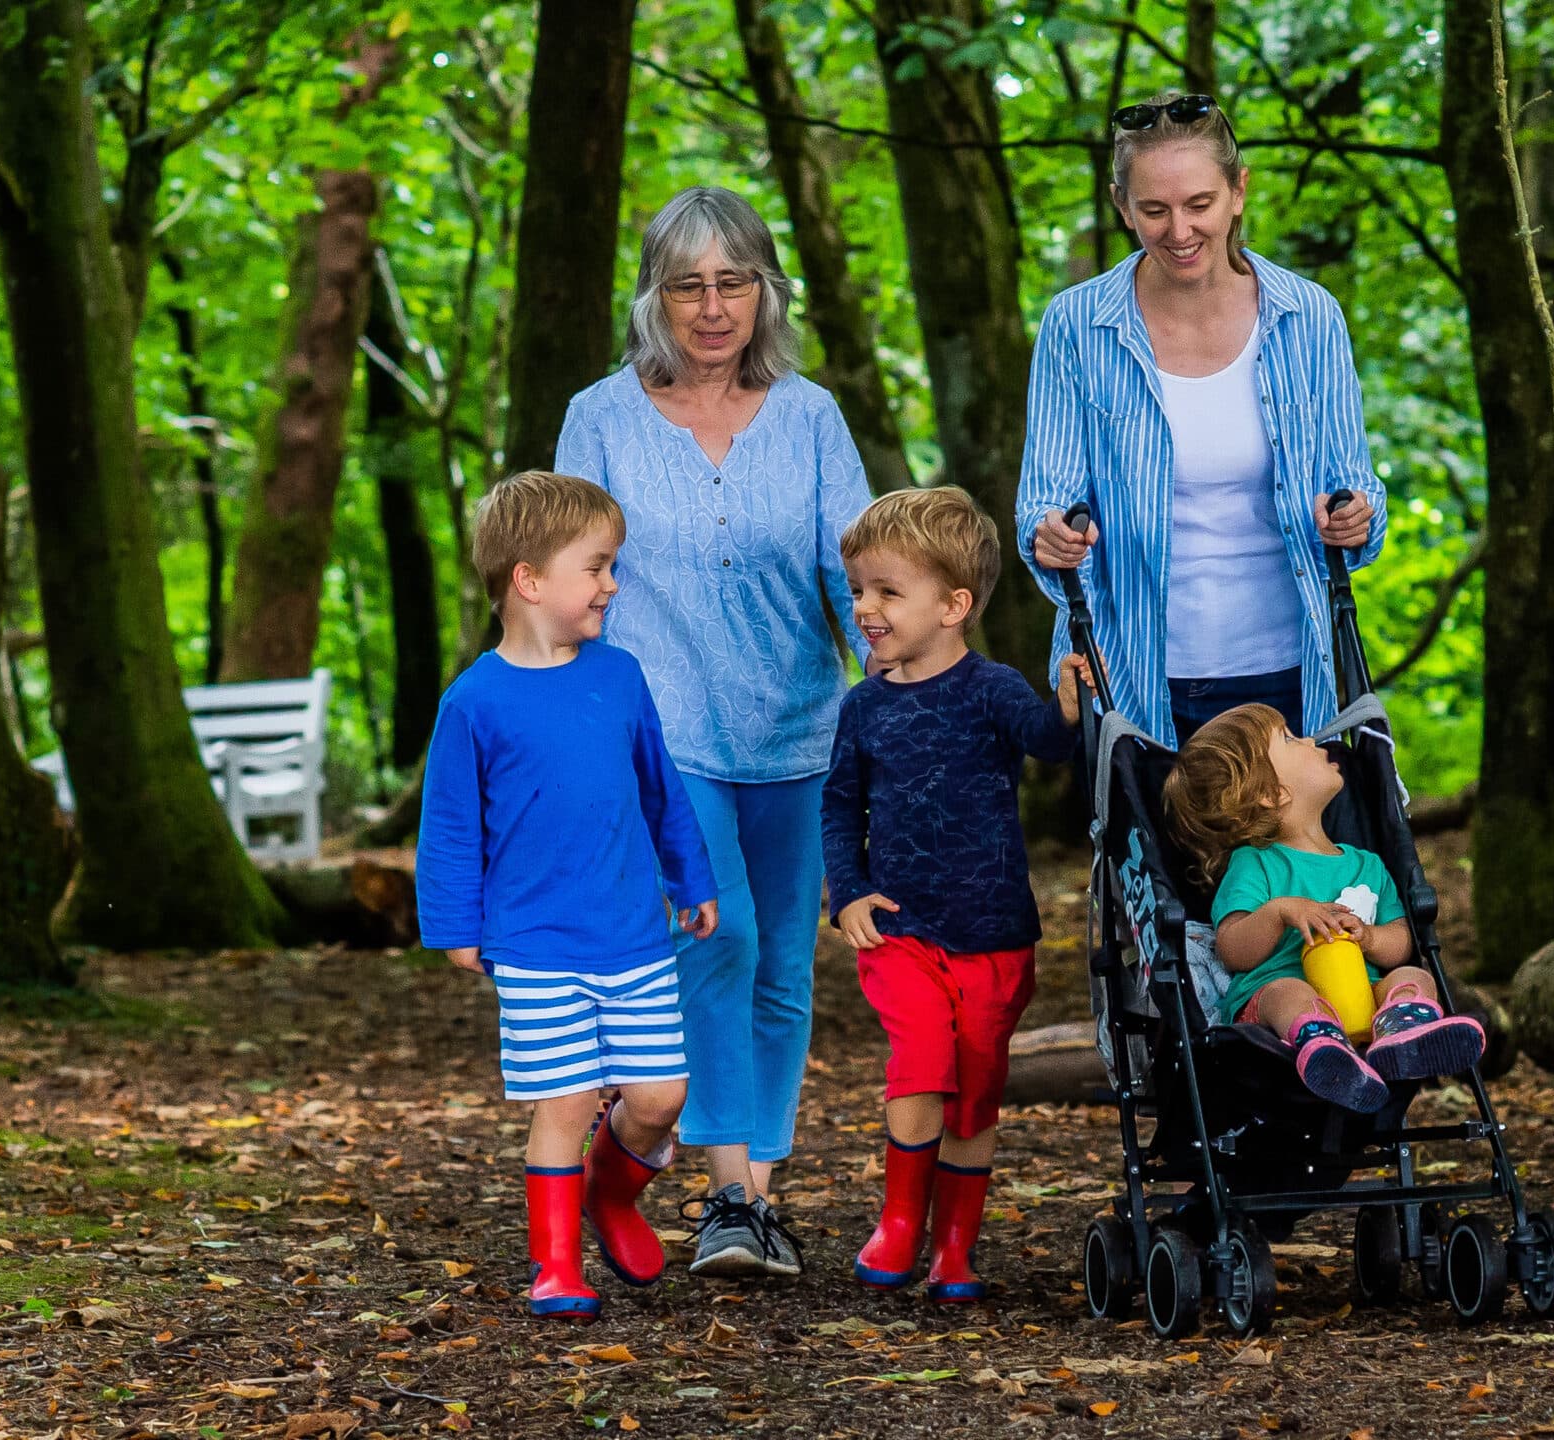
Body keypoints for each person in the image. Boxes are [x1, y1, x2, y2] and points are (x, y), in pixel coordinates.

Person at [554, 186, 873, 1279]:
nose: (711, 306)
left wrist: (898, 697)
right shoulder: (600, 416)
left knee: (785, 962)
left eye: (732, 280)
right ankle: (730, 1192)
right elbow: (566, 578)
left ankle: (755, 1202)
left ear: (763, 290)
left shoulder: (812, 415)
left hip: (800, 726)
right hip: (664, 728)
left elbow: (858, 576)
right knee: (720, 935)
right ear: (653, 297)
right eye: (686, 284)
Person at [415, 471, 722, 1319]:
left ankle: (610, 1196)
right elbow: (448, 827)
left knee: (660, 1097)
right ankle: (555, 1266)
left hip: (633, 935)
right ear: (529, 580)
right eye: (595, 567)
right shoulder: (474, 701)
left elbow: (660, 790)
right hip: (535, 942)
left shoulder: (619, 677)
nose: (611, 585)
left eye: (611, 566)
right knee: (567, 1099)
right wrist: (454, 926)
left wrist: (690, 879)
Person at [1016, 91, 1388, 745]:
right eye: (1154, 210)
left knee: (1288, 853)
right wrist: (1051, 535)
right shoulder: (1076, 326)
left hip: (1292, 674)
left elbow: (1354, 497)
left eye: (1199, 205)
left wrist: (1355, 516)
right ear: (1121, 205)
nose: (1179, 232)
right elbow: (1044, 508)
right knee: (1158, 852)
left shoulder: (1310, 317)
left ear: (1238, 191)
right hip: (1132, 675)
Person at [821, 487, 1090, 1302]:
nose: (864, 608)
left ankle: (956, 1250)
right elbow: (839, 804)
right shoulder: (863, 707)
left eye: (887, 591)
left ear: (953, 606)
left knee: (974, 1096)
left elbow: (1045, 742)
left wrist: (1070, 704)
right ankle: (901, 1222)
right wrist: (850, 893)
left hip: (994, 930)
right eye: (859, 590)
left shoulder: (992, 688)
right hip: (903, 924)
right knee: (922, 1060)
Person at [1165, 703, 1484, 1113]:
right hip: (1273, 1006)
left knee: (1412, 973)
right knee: (1288, 991)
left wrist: (1369, 937)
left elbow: (1401, 941)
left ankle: (1402, 1038)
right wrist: (1281, 911)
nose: (1312, 740)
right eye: (1290, 738)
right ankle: (1322, 1046)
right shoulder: (1257, 862)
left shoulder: (1367, 865)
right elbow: (1231, 948)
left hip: (1362, 999)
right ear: (1270, 793)